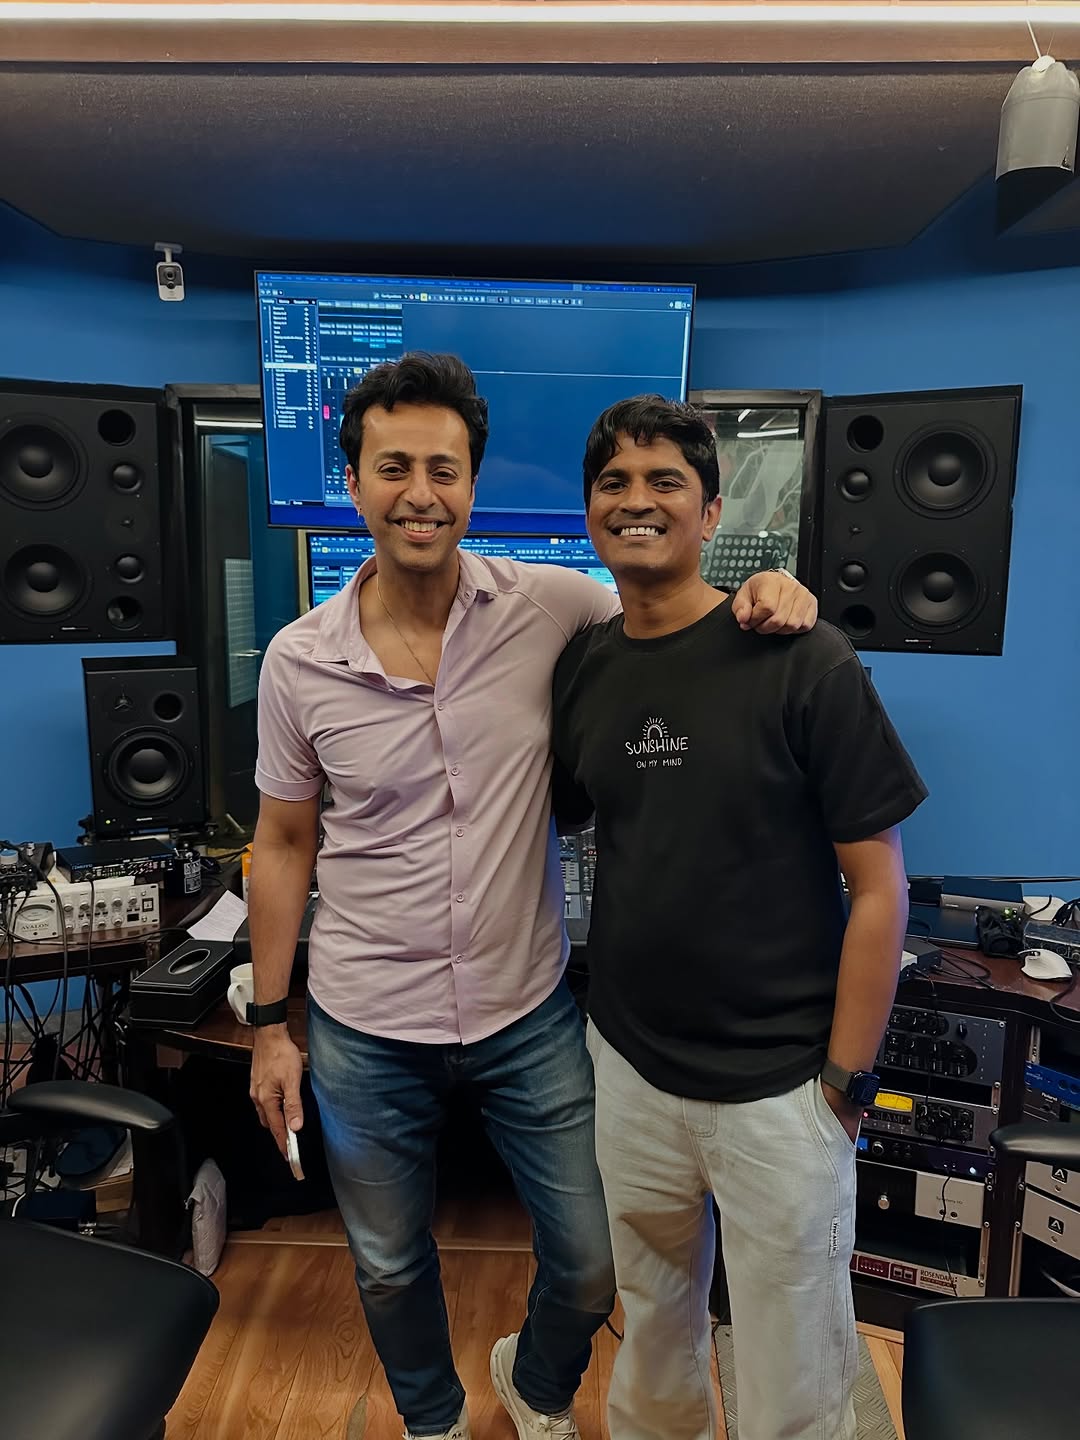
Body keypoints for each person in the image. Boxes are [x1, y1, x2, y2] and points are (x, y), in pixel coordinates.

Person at [247, 354, 819, 1440]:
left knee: (594, 1259)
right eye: (394, 468)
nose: (421, 493)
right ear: (353, 484)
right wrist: (272, 1024)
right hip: (366, 1022)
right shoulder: (298, 660)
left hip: (526, 1011)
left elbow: (674, 613)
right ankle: (430, 1421)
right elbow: (281, 844)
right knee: (387, 1262)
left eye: (444, 469)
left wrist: (770, 589)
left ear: (473, 484)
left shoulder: (551, 605)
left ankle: (537, 1383)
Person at [551, 396, 928, 1440]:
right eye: (614, 482)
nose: (636, 501)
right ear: (589, 510)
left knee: (792, 1376)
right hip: (631, 1069)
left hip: (782, 1087)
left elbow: (881, 888)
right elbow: (576, 814)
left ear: (711, 512)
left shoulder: (804, 657)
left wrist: (846, 1082)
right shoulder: (583, 668)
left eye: (665, 481)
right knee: (652, 1336)